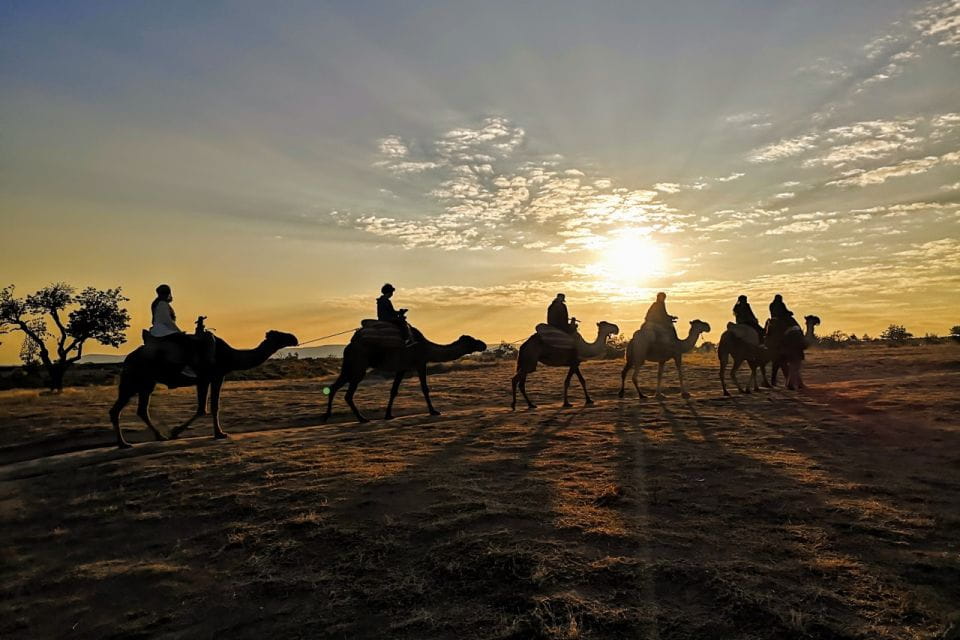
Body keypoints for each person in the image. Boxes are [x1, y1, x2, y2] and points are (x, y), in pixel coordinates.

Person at [148, 284, 213, 377]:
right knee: (187, 342)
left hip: (161, 330)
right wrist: (178, 331)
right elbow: (167, 321)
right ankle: (186, 366)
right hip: (163, 331)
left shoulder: (157, 303)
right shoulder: (162, 304)